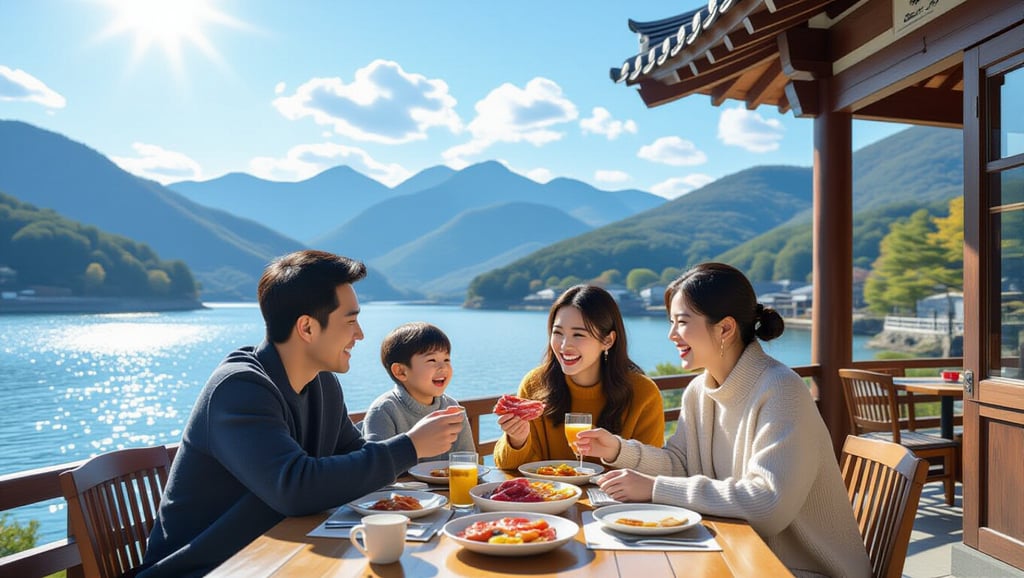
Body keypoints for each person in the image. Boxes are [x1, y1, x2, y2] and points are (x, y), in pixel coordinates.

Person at [138, 250, 465, 577]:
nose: (360, 334)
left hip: (272, 559)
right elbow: (295, 489)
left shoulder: (322, 384)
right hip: (206, 570)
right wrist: (410, 446)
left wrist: (414, 469)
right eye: (350, 321)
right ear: (307, 327)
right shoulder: (239, 389)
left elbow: (353, 455)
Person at [575, 263, 871, 578]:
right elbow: (681, 464)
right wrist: (618, 449)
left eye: (682, 322)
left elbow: (768, 506)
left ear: (725, 329)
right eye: (671, 322)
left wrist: (654, 488)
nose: (672, 335)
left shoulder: (782, 390)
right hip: (741, 555)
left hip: (802, 569)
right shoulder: (699, 391)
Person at [493, 284, 665, 470]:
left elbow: (651, 469)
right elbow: (511, 467)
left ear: (607, 340)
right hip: (551, 489)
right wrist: (517, 440)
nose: (564, 346)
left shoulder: (643, 393)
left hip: (616, 491)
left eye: (578, 335)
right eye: (558, 333)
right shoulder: (535, 384)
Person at [362, 322, 475, 460]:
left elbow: (467, 459)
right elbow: (378, 465)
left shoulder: (452, 407)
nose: (443, 367)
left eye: (446, 359)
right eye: (432, 360)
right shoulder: (384, 411)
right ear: (401, 371)